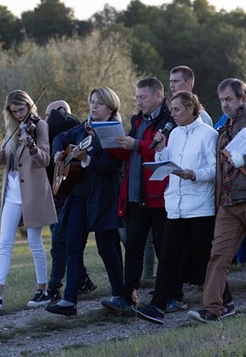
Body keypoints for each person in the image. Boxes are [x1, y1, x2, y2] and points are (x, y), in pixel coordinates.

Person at [187, 78, 246, 323]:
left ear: (243, 98)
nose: (225, 104)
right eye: (221, 100)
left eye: (229, 99)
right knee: (218, 256)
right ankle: (212, 309)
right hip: (228, 202)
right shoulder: (223, 129)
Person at [136, 91, 222, 324]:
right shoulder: (173, 133)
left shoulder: (208, 134)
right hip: (176, 204)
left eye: (176, 109)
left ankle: (225, 301)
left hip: (200, 206)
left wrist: (193, 174)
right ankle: (158, 307)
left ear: (191, 109)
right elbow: (167, 161)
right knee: (168, 257)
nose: (172, 114)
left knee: (204, 257)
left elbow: (216, 170)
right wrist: (162, 149)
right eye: (171, 109)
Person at [0, 90, 57, 311]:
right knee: (4, 243)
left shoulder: (41, 126)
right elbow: (11, 159)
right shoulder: (12, 128)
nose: (19, 114)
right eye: (14, 111)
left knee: (34, 243)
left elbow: (45, 160)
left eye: (22, 109)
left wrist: (32, 145)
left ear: (29, 106)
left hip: (33, 192)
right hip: (11, 191)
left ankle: (43, 291)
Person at [46, 87, 125, 316]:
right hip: (79, 194)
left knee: (106, 248)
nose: (93, 107)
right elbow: (62, 137)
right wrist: (58, 152)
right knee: (73, 245)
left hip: (103, 196)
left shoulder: (114, 131)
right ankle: (69, 301)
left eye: (99, 103)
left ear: (110, 107)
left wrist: (86, 158)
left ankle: (120, 294)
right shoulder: (85, 125)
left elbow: (109, 166)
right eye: (92, 102)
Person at [106, 77, 175, 314]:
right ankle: (127, 297)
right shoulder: (137, 120)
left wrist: (135, 143)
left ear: (158, 96)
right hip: (135, 196)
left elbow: (162, 150)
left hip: (159, 197)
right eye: (137, 97)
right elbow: (130, 154)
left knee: (163, 249)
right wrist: (111, 143)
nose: (139, 101)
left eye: (143, 97)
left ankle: (172, 296)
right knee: (133, 248)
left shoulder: (170, 119)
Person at [44, 100, 97, 302]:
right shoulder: (71, 130)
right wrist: (57, 152)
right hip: (57, 191)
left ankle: (54, 287)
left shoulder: (74, 124)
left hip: (74, 196)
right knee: (65, 243)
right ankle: (84, 281)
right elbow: (58, 138)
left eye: (50, 115)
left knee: (60, 242)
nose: (47, 121)